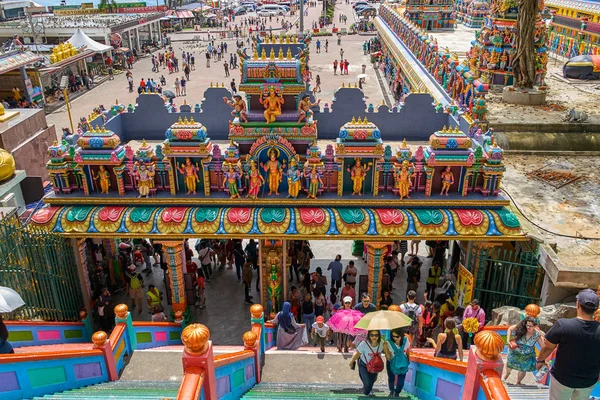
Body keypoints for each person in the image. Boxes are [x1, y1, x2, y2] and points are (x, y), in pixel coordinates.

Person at [536, 289, 600, 399]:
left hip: (562, 378)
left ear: (578, 304)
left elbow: (547, 347)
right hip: (588, 380)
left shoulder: (563, 325)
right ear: (596, 308)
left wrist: (540, 360)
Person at [503, 317, 544, 384]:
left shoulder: (537, 334)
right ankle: (505, 376)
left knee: (523, 369)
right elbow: (510, 329)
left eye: (530, 326)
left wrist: (542, 359)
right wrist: (508, 341)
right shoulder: (521, 328)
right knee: (510, 365)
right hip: (515, 351)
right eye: (527, 325)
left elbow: (542, 347)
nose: (528, 327)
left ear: (534, 326)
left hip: (527, 355)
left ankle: (518, 382)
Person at [349, 329, 390, 396]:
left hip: (375, 366)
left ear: (379, 336)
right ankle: (366, 392)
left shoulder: (382, 343)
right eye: (372, 335)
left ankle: (367, 391)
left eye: (376, 335)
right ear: (369, 336)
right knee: (367, 385)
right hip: (364, 365)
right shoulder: (364, 343)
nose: (374, 337)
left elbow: (388, 358)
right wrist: (351, 362)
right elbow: (357, 354)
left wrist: (385, 348)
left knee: (371, 382)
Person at [387, 327, 410, 397]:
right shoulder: (388, 342)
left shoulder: (406, 340)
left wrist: (408, 360)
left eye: (397, 336)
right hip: (391, 361)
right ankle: (391, 391)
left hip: (403, 361)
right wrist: (385, 348)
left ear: (401, 335)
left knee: (401, 380)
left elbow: (408, 351)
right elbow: (388, 357)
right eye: (393, 336)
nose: (395, 338)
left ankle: (397, 392)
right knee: (391, 377)